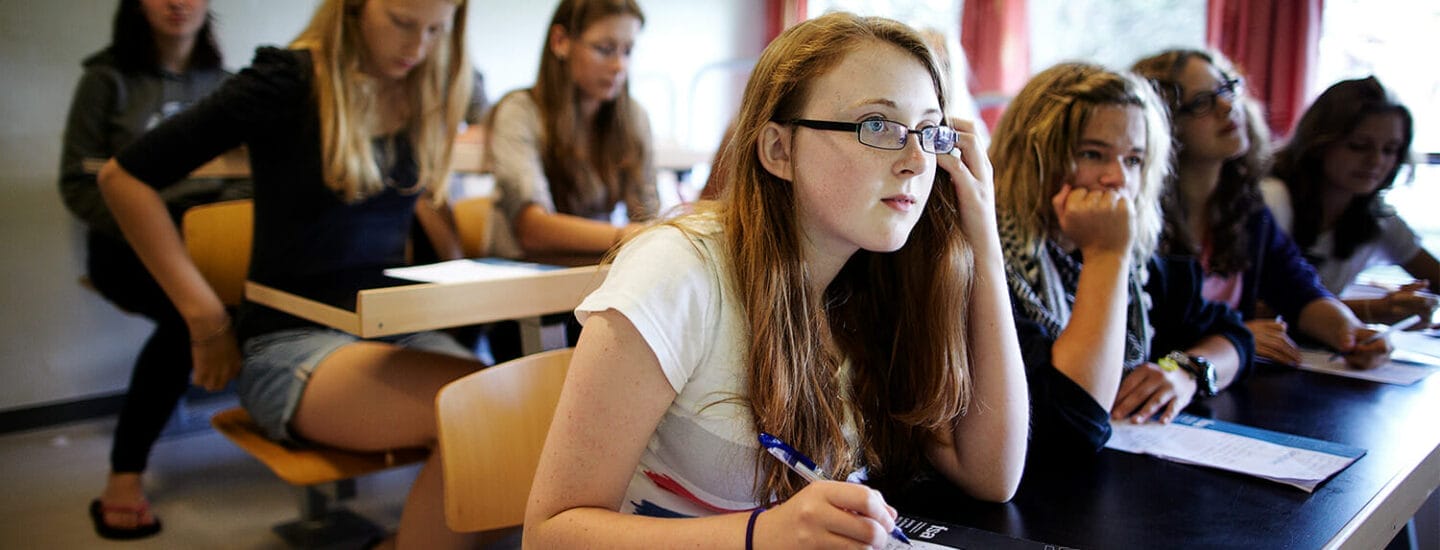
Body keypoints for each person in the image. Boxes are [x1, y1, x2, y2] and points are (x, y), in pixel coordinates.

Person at [524, 13, 1029, 548]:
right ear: (778, 151)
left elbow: (992, 475)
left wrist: (984, 240)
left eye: (929, 131)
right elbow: (549, 532)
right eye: (877, 125)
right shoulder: (680, 271)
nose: (914, 161)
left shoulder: (878, 277)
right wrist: (760, 534)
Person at [97, 0, 480, 548]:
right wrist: (205, 317)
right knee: (485, 412)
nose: (417, 47)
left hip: (388, 329)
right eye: (401, 23)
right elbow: (123, 179)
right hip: (291, 343)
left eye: (436, 30)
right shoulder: (288, 79)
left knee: (524, 412)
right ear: (353, 9)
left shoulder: (426, 85)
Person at [990, 63, 1252, 459]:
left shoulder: (1144, 268)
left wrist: (1187, 372)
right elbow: (1072, 421)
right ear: (1032, 159)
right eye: (1093, 154)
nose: (1118, 179)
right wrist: (1105, 255)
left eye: (1133, 160)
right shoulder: (983, 266)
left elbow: (1233, 335)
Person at [59, 0, 247, 540]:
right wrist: (160, 237)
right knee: (186, 317)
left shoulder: (231, 84)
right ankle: (124, 475)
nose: (177, 2)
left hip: (213, 242)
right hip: (129, 247)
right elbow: (78, 184)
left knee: (275, 293)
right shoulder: (105, 80)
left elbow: (251, 175)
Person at [1132, 49, 1391, 370]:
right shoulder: (1140, 219)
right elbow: (1144, 347)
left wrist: (1350, 331)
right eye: (1202, 103)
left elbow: (1299, 289)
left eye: (1227, 89)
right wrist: (1233, 340)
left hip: (1215, 390)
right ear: (1165, 124)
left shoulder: (1243, 207)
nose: (1227, 106)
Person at [485, 0, 657, 259]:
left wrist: (647, 232)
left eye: (628, 51)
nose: (619, 66)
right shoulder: (519, 111)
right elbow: (532, 228)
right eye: (605, 49)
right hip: (522, 276)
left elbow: (648, 216)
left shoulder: (634, 117)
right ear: (560, 41)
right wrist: (626, 235)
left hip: (591, 273)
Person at [1262, 76, 1438, 326]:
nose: (1376, 161)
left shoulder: (1376, 217)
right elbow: (1242, 307)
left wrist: (1419, 302)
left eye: (1390, 150)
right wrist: (1374, 310)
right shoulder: (1272, 198)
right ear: (1320, 142)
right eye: (1358, 146)